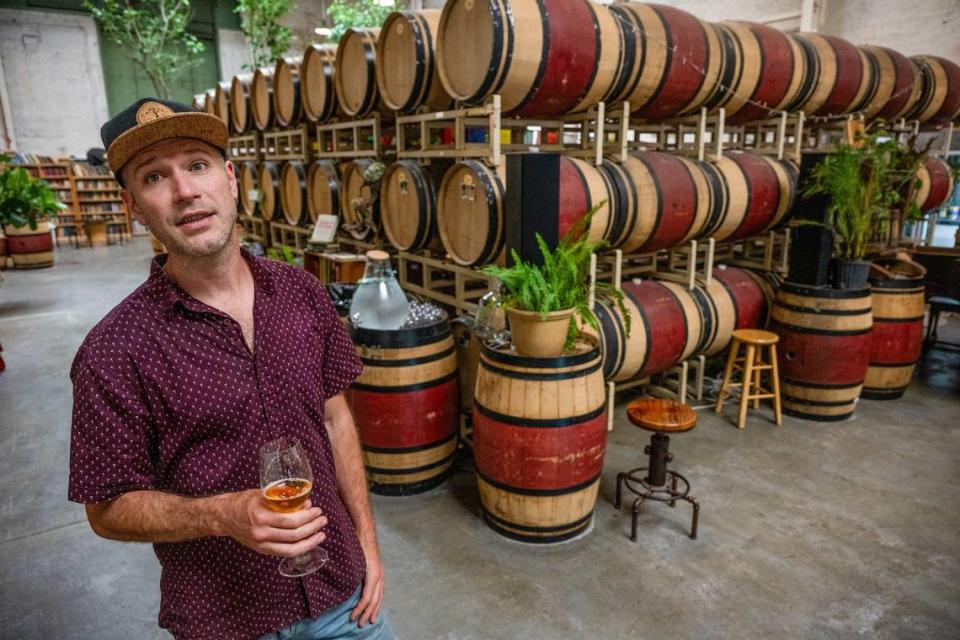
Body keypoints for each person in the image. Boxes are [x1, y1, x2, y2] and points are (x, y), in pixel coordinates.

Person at [67, 97, 394, 640]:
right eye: (154, 176)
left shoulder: (302, 293)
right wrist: (222, 513)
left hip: (346, 598)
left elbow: (337, 422)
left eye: (197, 164)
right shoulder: (113, 350)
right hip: (228, 621)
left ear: (231, 178)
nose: (185, 190)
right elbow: (107, 509)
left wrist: (368, 545)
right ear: (133, 205)